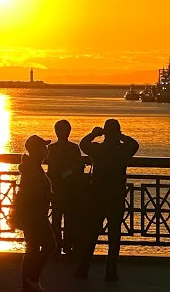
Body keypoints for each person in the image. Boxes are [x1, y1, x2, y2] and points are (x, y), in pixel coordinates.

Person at [78, 119, 140, 281]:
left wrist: (94, 134)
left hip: (97, 196)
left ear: (105, 132)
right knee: (114, 236)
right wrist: (121, 137)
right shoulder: (122, 150)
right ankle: (111, 272)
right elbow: (135, 144)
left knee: (91, 234)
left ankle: (83, 269)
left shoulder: (98, 149)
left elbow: (83, 144)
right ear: (117, 132)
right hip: (116, 197)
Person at [15, 134, 55, 292]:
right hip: (35, 215)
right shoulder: (32, 169)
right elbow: (33, 192)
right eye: (44, 148)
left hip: (33, 214)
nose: (47, 150)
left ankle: (28, 283)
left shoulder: (32, 166)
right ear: (38, 150)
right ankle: (32, 279)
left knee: (31, 248)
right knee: (49, 245)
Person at [44, 120, 83, 254]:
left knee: (56, 217)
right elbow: (77, 166)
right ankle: (67, 245)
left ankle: (56, 245)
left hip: (55, 187)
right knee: (69, 218)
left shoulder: (51, 149)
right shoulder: (74, 148)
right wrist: (66, 175)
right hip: (69, 188)